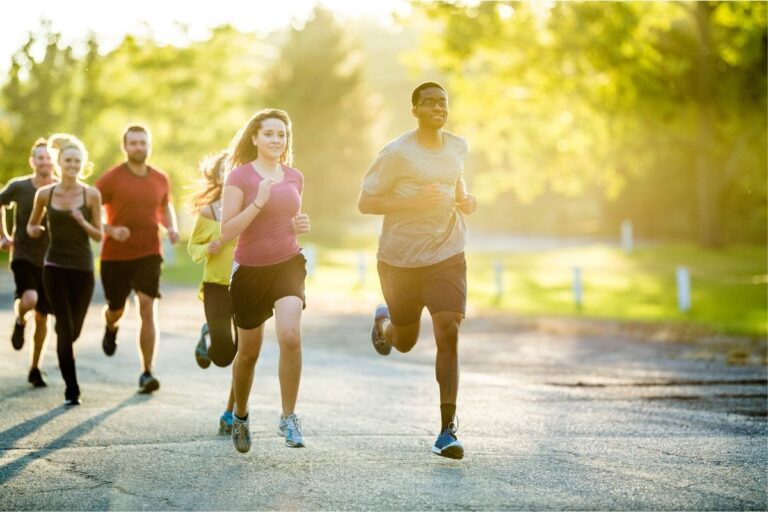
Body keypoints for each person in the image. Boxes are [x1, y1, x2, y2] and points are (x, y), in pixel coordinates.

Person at [358, 82, 477, 460]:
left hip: (447, 253)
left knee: (448, 329)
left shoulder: (458, 146)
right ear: (415, 110)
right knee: (405, 340)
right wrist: (410, 203)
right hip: (400, 260)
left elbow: (455, 183)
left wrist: (465, 200)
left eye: (443, 102)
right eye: (429, 103)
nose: (438, 108)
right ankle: (385, 323)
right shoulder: (396, 154)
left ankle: (447, 429)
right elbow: (365, 202)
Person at [221, 109, 311, 453]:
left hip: (288, 262)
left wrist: (300, 224)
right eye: (270, 134)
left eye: (282, 134)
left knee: (290, 336)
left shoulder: (295, 176)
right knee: (248, 353)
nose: (277, 140)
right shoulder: (239, 178)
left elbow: (288, 219)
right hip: (249, 271)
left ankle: (288, 417)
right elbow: (228, 230)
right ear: (255, 138)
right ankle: (240, 414)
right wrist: (258, 200)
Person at [95, 123, 179, 394]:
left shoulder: (160, 178)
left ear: (149, 146)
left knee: (147, 306)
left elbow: (165, 207)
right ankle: (111, 323)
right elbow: (90, 210)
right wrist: (109, 229)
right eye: (134, 143)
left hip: (149, 252)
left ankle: (147, 372)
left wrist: (172, 227)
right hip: (115, 255)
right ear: (125, 147)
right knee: (117, 307)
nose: (139, 147)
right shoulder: (111, 178)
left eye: (143, 142)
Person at [27, 134, 102, 405]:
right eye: (68, 160)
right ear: (59, 163)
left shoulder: (90, 194)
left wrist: (83, 221)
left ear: (82, 164)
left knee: (73, 331)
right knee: (64, 329)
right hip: (55, 268)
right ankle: (72, 388)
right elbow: (31, 225)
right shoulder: (44, 194)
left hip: (83, 271)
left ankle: (64, 355)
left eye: (77, 161)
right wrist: (34, 230)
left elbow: (99, 236)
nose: (73, 165)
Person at [187, 150, 238, 433]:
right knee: (222, 356)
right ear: (218, 177)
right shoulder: (209, 211)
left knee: (245, 353)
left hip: (248, 284)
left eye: (236, 169)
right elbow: (192, 247)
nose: (230, 175)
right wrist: (207, 249)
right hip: (217, 286)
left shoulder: (253, 208)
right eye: (225, 170)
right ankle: (209, 333)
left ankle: (232, 412)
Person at [0, 138, 55, 387]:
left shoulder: (60, 188)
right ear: (33, 161)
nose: (44, 162)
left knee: (44, 317)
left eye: (48, 157)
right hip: (23, 254)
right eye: (40, 158)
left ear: (53, 161)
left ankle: (35, 367)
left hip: (52, 260)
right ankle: (21, 319)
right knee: (30, 300)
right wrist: (2, 235)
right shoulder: (19, 187)